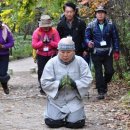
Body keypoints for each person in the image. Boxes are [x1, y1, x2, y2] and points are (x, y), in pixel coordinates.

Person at [41, 36, 93, 128]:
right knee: (52, 123)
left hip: (74, 100)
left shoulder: (80, 62)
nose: (65, 55)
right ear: (58, 51)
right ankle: (54, 114)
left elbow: (88, 79)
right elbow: (45, 82)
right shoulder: (51, 63)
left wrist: (75, 84)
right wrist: (59, 84)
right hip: (56, 101)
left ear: (74, 51)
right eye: (62, 52)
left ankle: (75, 116)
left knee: (75, 124)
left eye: (68, 52)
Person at [85, 6, 120, 100]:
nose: (100, 14)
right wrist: (88, 42)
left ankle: (103, 84)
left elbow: (115, 38)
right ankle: (101, 92)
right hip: (96, 52)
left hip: (107, 52)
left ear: (105, 14)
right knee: (98, 73)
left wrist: (116, 50)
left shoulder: (110, 25)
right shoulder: (91, 25)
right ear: (96, 14)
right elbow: (86, 37)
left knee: (110, 71)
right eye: (98, 12)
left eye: (102, 12)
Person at [32, 15, 60, 94]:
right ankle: (42, 88)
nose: (46, 28)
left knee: (53, 71)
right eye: (44, 26)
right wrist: (42, 42)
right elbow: (34, 45)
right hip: (41, 54)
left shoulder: (54, 31)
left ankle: (52, 87)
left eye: (47, 26)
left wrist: (50, 42)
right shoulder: (37, 32)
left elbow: (58, 44)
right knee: (41, 71)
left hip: (52, 54)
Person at [0, 21, 14, 94]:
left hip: (4, 54)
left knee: (2, 73)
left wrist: (3, 46)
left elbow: (11, 42)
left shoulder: (5, 30)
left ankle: (5, 86)